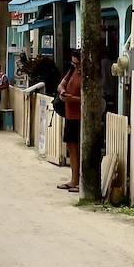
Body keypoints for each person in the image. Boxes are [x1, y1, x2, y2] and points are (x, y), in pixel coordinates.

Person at [58, 51, 82, 191]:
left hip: (79, 116)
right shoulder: (71, 71)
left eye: (77, 63)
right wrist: (62, 93)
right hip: (70, 115)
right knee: (71, 147)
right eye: (73, 63)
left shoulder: (86, 75)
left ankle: (80, 180)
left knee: (79, 148)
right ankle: (74, 179)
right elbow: (61, 85)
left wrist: (72, 99)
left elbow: (89, 99)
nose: (75, 66)